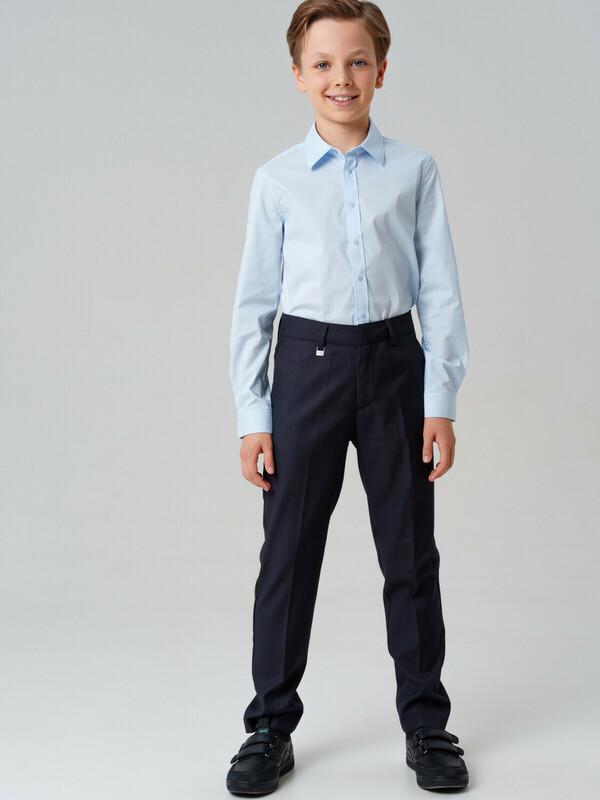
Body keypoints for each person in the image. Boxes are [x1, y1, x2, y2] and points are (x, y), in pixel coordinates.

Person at [226, 0, 469, 793]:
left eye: (357, 61)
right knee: (288, 554)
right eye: (324, 64)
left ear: (381, 72)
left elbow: (439, 291)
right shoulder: (277, 180)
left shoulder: (414, 171)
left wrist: (440, 400)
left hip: (395, 364)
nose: (342, 77)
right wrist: (253, 414)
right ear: (298, 76)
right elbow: (254, 304)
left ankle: (427, 724)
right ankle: (269, 725)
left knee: (409, 551)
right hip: (307, 368)